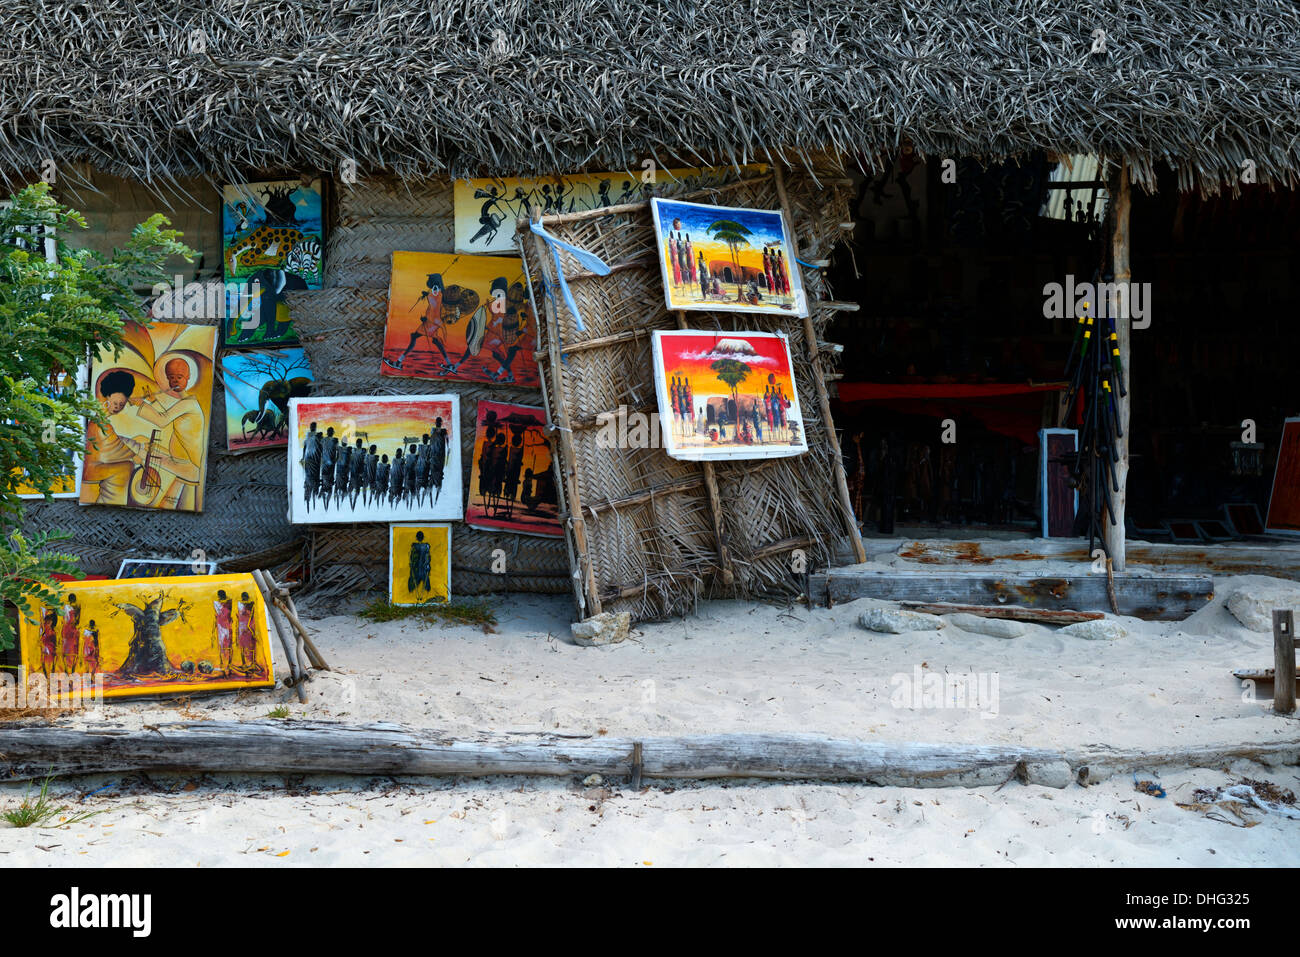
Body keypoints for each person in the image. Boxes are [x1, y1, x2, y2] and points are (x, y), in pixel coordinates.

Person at [129, 356, 206, 510]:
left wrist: (142, 404)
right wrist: (153, 401)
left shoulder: (189, 404)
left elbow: (163, 420)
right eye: (171, 378)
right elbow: (169, 416)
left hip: (187, 466)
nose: (175, 381)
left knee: (138, 447)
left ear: (188, 377)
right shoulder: (186, 402)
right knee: (169, 503)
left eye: (179, 377)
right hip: (180, 463)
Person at [81, 369, 146, 505]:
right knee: (126, 467)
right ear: (107, 397)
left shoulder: (101, 421)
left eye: (121, 405)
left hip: (95, 466)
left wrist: (138, 446)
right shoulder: (99, 423)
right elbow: (114, 445)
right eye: (115, 403)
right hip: (92, 469)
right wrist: (134, 455)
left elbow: (114, 440)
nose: (117, 407)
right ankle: (108, 501)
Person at [385, 273, 455, 372]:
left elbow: (434, 306)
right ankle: (450, 364)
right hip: (433, 322)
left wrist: (427, 318)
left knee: (416, 337)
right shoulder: (439, 291)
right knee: (435, 341)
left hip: (431, 322)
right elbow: (433, 301)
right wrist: (426, 295)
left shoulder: (436, 291)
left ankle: (398, 362)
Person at [301, 422, 322, 510]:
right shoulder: (308, 435)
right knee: (308, 475)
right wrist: (303, 457)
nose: (312, 427)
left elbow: (320, 447)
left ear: (315, 427)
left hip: (315, 458)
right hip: (308, 458)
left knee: (315, 475)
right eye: (311, 426)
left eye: (313, 426)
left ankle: (315, 493)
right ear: (310, 427)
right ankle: (308, 494)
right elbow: (305, 447)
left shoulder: (318, 436)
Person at [235, 592, 258, 670]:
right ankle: (246, 663)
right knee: (244, 646)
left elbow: (250, 617)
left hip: (247, 627)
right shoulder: (244, 605)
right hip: (244, 627)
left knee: (249, 646)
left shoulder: (248, 605)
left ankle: (251, 663)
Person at [213, 589, 234, 672]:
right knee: (224, 645)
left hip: (225, 626)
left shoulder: (223, 603)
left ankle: (227, 664)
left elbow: (225, 613)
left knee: (226, 645)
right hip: (223, 625)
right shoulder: (224, 603)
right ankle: (224, 664)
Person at [60, 594, 81, 674]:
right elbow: (77, 620)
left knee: (67, 651)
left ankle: (68, 670)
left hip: (68, 629)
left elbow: (65, 620)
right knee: (73, 651)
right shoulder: (77, 606)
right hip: (71, 629)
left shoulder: (66, 607)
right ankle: (71, 671)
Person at [407, 530, 432, 596]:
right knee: (426, 584)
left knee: (413, 583)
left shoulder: (414, 547)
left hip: (416, 569)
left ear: (416, 538)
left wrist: (411, 564)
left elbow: (412, 559)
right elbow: (428, 558)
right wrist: (428, 566)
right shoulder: (426, 547)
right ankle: (426, 593)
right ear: (423, 537)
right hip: (424, 568)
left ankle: (411, 594)